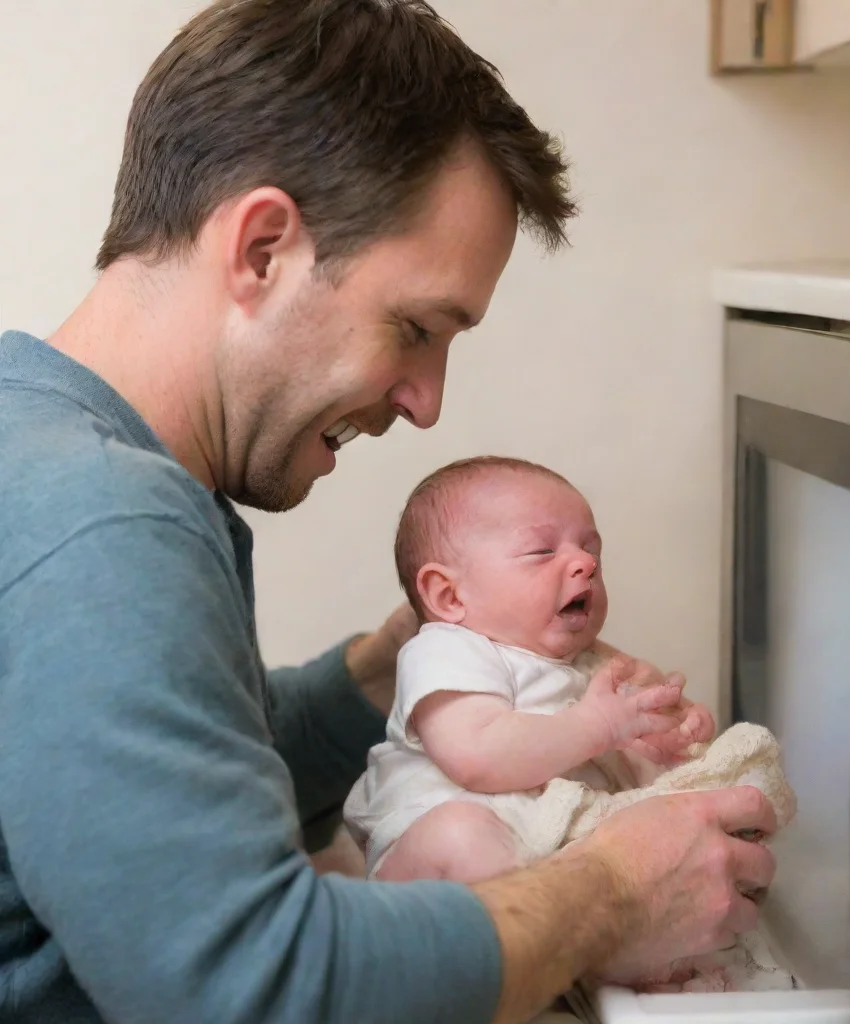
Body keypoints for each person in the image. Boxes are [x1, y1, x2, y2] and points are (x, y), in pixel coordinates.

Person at [0, 2, 776, 1022]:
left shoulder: (43, 445)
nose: (425, 402)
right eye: (414, 327)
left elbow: (157, 789)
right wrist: (615, 889)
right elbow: (251, 983)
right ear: (263, 248)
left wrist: (391, 669)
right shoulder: (105, 526)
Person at [344, 455, 717, 886]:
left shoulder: (589, 662)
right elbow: (478, 757)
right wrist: (598, 723)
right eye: (543, 551)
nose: (585, 564)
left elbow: (626, 758)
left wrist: (672, 735)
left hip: (542, 852)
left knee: (667, 835)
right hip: (433, 862)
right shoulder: (445, 649)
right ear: (448, 596)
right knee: (460, 836)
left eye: (591, 550)